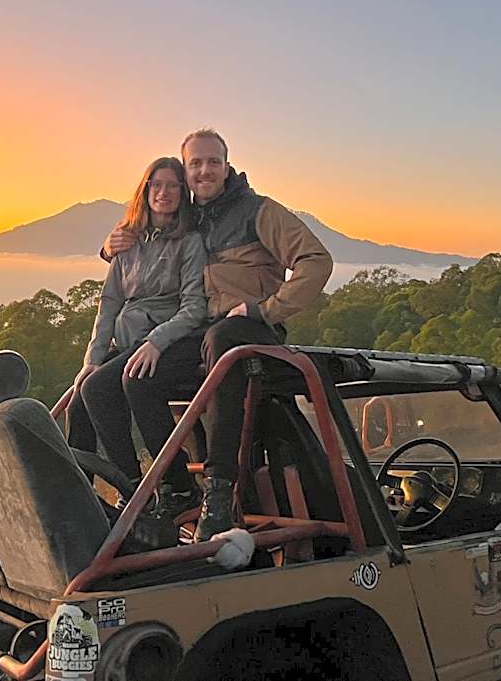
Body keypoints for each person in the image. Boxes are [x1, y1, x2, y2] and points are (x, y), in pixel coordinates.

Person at [102, 129, 333, 541]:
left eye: (213, 162)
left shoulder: (257, 211)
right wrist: (112, 246)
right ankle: (173, 487)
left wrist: (268, 308)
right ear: (186, 170)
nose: (205, 170)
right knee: (138, 376)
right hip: (202, 328)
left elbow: (316, 260)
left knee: (223, 338)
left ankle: (220, 491)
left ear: (227, 166)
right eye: (196, 163)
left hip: (250, 327)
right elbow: (150, 235)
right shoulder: (188, 215)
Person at [67, 156, 207, 517]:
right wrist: (92, 359)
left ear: (183, 192)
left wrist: (157, 342)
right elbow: (109, 302)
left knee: (101, 389)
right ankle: (77, 493)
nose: (164, 193)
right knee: (81, 396)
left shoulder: (189, 242)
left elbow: (194, 306)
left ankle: (137, 489)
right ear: (145, 191)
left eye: (173, 185)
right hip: (126, 340)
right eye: (156, 185)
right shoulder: (126, 240)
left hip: (163, 338)